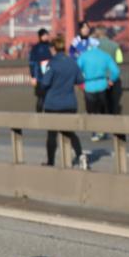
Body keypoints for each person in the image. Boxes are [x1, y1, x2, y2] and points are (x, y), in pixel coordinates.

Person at [39, 35, 87, 169]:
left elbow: (45, 83)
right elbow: (80, 80)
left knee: (52, 134)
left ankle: (50, 161)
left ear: (53, 48)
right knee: (70, 132)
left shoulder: (52, 63)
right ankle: (80, 155)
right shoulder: (72, 62)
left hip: (53, 104)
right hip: (70, 103)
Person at [76, 42, 120, 141]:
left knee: (91, 111)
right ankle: (102, 131)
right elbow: (116, 71)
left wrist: (80, 83)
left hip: (88, 86)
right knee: (102, 110)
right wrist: (111, 81)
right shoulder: (105, 56)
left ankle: (94, 132)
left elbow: (76, 70)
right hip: (102, 84)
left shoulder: (83, 56)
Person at [95, 28, 124, 115]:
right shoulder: (115, 45)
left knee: (100, 104)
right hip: (113, 78)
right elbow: (120, 60)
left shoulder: (94, 47)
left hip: (99, 78)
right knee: (112, 103)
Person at [28, 28, 53, 112]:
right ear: (40, 36)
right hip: (40, 77)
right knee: (41, 98)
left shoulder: (51, 46)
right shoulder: (36, 48)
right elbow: (32, 63)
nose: (46, 37)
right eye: (44, 35)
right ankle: (38, 116)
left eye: (47, 35)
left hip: (51, 76)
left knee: (51, 97)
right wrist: (33, 76)